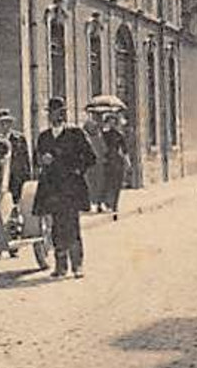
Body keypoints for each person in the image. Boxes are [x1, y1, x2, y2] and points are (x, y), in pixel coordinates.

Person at [34, 98, 96, 279]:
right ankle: (60, 267)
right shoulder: (44, 137)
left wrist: (77, 169)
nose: (56, 115)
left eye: (60, 112)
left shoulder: (75, 134)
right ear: (49, 115)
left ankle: (77, 265)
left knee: (72, 225)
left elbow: (91, 157)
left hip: (71, 187)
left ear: (64, 114)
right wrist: (42, 161)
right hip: (52, 188)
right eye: (53, 112)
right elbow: (36, 160)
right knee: (56, 227)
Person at [0, 109, 32, 201]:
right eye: (0, 123)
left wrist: (27, 179)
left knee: (16, 202)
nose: (3, 125)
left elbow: (26, 160)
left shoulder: (19, 138)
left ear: (10, 124)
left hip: (16, 178)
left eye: (6, 122)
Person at [100, 113, 130, 219]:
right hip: (106, 161)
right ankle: (106, 203)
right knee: (107, 183)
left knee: (117, 184)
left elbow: (124, 149)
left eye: (113, 121)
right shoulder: (102, 134)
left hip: (117, 162)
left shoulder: (118, 134)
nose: (111, 123)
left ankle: (114, 205)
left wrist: (127, 162)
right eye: (109, 121)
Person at [82, 114, 108, 212]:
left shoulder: (96, 138)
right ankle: (94, 203)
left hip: (97, 164)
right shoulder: (88, 139)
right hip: (92, 164)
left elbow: (104, 149)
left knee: (97, 184)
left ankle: (97, 203)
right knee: (93, 184)